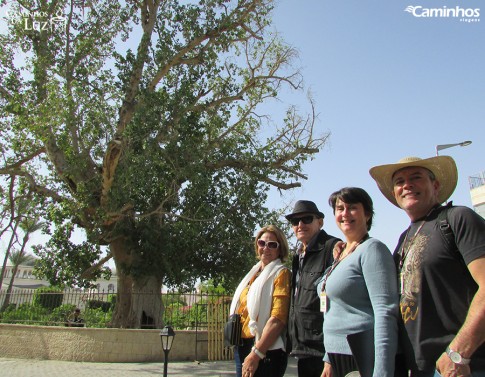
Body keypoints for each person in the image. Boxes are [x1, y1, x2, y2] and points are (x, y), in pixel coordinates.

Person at [370, 156, 485, 377]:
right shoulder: (404, 239)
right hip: (421, 368)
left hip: (464, 367)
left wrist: (458, 352)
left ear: (436, 185)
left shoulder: (458, 219)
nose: (407, 185)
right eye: (399, 181)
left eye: (416, 177)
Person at [317, 187, 399, 377]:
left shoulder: (373, 250)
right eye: (339, 208)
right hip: (337, 358)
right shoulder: (341, 254)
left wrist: (382, 372)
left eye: (352, 207)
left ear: (368, 214)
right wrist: (328, 358)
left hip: (361, 355)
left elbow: (385, 311)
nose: (345, 213)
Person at [285, 200, 340, 377]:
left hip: (323, 350)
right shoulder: (298, 256)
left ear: (320, 222)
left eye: (307, 219)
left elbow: (340, 303)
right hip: (303, 348)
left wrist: (331, 355)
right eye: (295, 221)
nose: (300, 225)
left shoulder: (333, 248)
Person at [229, 225, 291, 377]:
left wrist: (256, 353)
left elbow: (278, 319)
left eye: (272, 245)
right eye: (262, 243)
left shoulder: (281, 274)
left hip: (265, 350)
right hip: (242, 346)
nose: (266, 248)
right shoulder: (254, 273)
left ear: (280, 249)